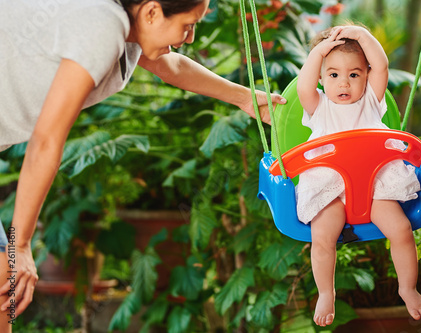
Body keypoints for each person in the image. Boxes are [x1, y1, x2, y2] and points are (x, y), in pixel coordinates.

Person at [0, 0, 286, 329]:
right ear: (151, 12)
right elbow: (46, 140)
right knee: (7, 280)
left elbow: (173, 67)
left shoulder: (126, 29)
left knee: (4, 292)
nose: (190, 38)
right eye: (188, 25)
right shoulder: (103, 23)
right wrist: (19, 245)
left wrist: (246, 98)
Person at [295, 24, 421, 327]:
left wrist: (360, 34)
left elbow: (381, 63)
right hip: (332, 188)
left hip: (374, 185)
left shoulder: (372, 100)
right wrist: (318, 50)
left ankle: (407, 289)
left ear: (367, 75)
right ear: (321, 77)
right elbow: (303, 86)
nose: (344, 82)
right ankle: (326, 292)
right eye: (333, 75)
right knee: (321, 238)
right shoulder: (319, 107)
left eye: (354, 74)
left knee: (401, 230)